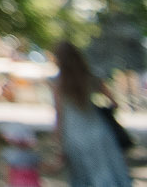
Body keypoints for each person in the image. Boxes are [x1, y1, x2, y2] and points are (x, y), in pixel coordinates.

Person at [54, 40, 132, 187]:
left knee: (83, 178)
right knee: (108, 174)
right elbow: (114, 103)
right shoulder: (91, 77)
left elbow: (59, 115)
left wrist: (58, 144)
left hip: (74, 135)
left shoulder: (59, 83)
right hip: (98, 130)